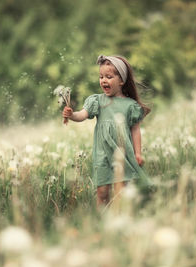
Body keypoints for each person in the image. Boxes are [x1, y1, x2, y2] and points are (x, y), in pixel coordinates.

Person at [62, 55, 151, 207]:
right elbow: (82, 115)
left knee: (121, 191)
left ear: (121, 80)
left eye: (109, 77)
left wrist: (138, 153)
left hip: (122, 154)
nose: (103, 80)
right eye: (101, 76)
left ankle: (120, 218)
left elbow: (135, 129)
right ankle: (101, 220)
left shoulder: (130, 105)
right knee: (102, 192)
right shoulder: (97, 101)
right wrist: (72, 115)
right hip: (102, 155)